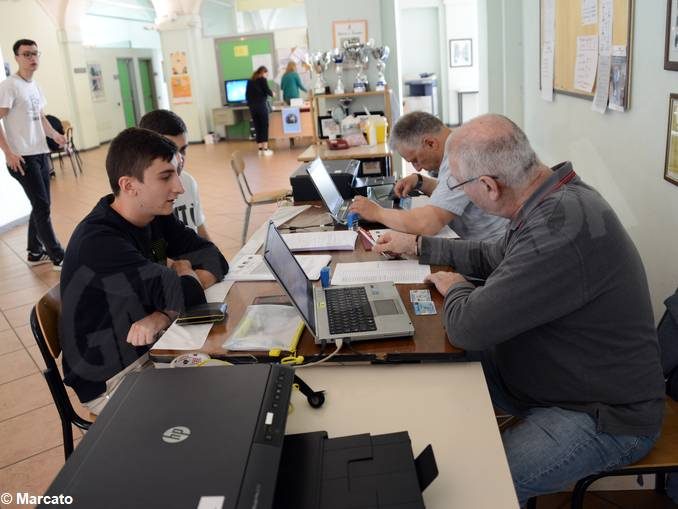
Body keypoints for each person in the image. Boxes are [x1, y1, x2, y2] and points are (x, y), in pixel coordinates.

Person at [374, 114, 665, 505]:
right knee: (431, 374)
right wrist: (419, 247)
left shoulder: (557, 230)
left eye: (460, 186)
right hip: (550, 373)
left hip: (604, 416)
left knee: (473, 483)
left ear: (490, 186)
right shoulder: (551, 195)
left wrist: (457, 286)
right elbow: (492, 253)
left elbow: (468, 328)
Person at [60, 128, 229, 413]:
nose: (179, 187)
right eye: (165, 177)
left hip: (153, 341)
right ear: (128, 186)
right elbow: (188, 296)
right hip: (113, 374)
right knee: (215, 405)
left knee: (237, 372)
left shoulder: (153, 215)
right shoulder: (99, 241)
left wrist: (164, 311)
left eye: (177, 173)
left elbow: (214, 257)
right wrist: (179, 284)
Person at [349, 111, 508, 240]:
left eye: (416, 160)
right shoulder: (460, 142)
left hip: (491, 253)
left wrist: (377, 213)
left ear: (431, 143)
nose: (417, 168)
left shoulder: (462, 157)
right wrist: (420, 182)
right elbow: (455, 192)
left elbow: (427, 224)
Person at [0, 39, 67, 270]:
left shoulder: (35, 85)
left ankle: (35, 252)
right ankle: (58, 256)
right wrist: (8, 153)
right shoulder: (9, 85)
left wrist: (55, 135)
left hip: (40, 152)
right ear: (17, 57)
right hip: (22, 157)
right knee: (42, 206)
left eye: (35, 53)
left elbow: (40, 116)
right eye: (27, 54)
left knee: (41, 204)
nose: (32, 58)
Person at [139, 109, 211, 240]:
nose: (180, 159)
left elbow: (200, 230)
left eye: (183, 150)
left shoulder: (188, 182)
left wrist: (216, 258)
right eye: (171, 152)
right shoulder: (137, 196)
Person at [246, 65, 274, 156]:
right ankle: (265, 149)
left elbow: (247, 95)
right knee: (264, 126)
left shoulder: (250, 81)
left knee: (257, 127)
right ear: (263, 73)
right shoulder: (262, 80)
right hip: (261, 107)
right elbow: (267, 90)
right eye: (267, 74)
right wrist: (272, 93)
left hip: (252, 108)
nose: (267, 76)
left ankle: (260, 149)